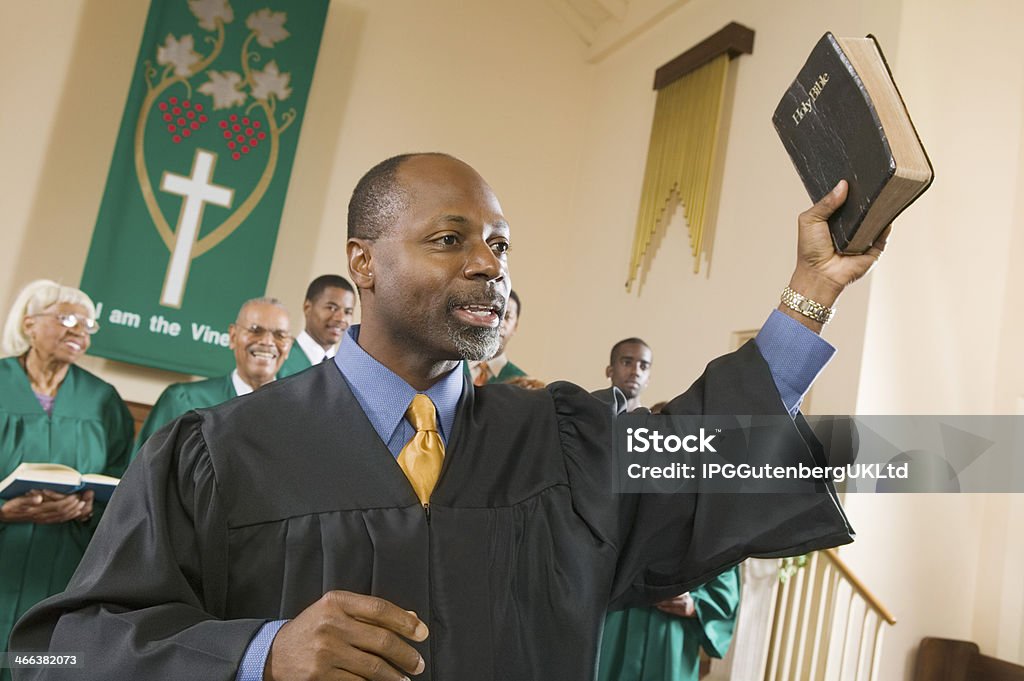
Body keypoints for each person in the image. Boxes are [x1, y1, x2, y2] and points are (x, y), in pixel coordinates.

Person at [11, 153, 887, 681]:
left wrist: (810, 293)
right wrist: (258, 656)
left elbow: (703, 452)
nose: (488, 266)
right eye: (450, 239)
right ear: (363, 262)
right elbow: (69, 651)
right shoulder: (216, 449)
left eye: (500, 245)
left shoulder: (562, 439)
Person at [0, 280, 132, 678]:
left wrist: (89, 506)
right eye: (67, 318)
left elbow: (123, 479)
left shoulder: (102, 398)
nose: (80, 330)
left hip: (64, 570)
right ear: (29, 324)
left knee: (44, 663)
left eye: (89, 324)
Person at [592, 342, 740, 681]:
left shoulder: (703, 506)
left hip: (667, 636)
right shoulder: (619, 495)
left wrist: (695, 604)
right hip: (613, 624)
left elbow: (725, 573)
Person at [134, 297, 292, 449]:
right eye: (256, 330)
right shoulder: (184, 402)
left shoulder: (295, 414)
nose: (267, 342)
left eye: (280, 335)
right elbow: (145, 471)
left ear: (289, 346)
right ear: (233, 336)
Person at [277, 275, 356, 378]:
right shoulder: (278, 360)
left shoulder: (347, 372)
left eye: (347, 312)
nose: (341, 318)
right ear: (307, 308)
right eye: (331, 308)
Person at [468, 289, 526, 385]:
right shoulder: (450, 368)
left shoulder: (523, 385)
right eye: (493, 313)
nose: (499, 323)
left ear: (515, 326)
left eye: (507, 316)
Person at [594, 337, 653, 412]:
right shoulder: (588, 414)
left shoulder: (655, 422)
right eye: (627, 363)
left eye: (643, 366)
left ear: (648, 379)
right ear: (610, 371)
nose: (636, 372)